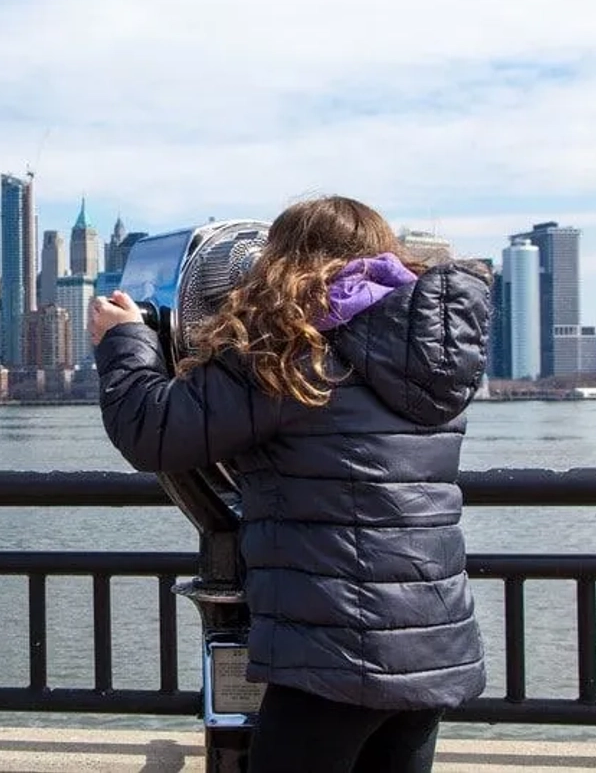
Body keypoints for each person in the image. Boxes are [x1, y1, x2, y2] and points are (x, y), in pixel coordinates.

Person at [88, 196, 489, 773]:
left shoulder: (288, 352)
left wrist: (126, 341)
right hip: (430, 646)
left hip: (335, 650)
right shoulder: (429, 355)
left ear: (280, 259)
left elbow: (155, 432)